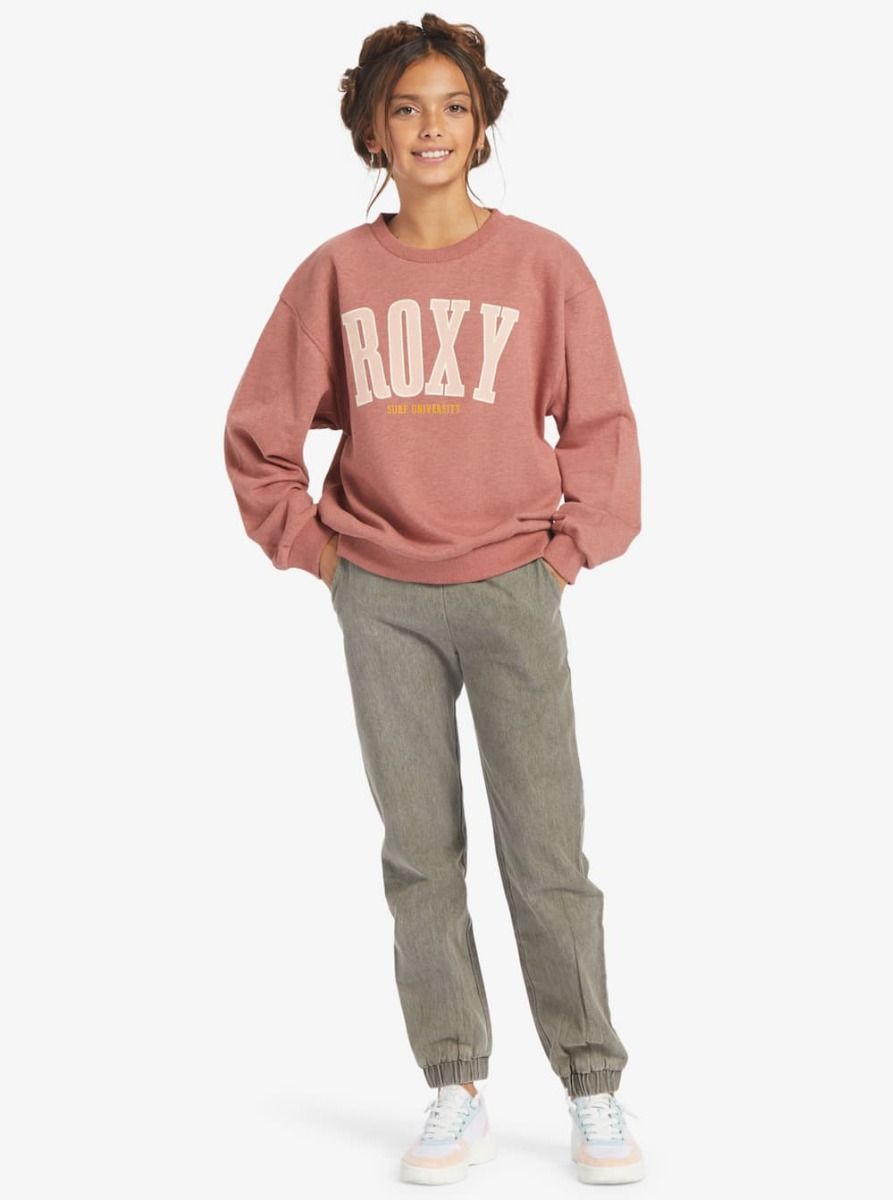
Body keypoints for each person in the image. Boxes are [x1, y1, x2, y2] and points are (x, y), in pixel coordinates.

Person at [223, 12, 646, 1187]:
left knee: (545, 851)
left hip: (512, 590)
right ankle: (453, 1080)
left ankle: (591, 1084)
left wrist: (565, 554)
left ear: (481, 126)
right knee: (419, 851)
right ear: (370, 131)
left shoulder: (543, 267)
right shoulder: (334, 276)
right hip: (382, 601)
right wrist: (322, 556)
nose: (429, 128)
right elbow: (258, 434)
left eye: (451, 107)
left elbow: (601, 426)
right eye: (404, 108)